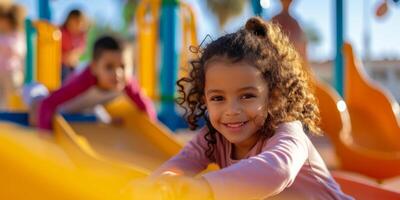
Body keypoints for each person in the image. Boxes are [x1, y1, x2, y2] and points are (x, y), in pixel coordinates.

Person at [147, 17, 353, 200]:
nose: (232, 110)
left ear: (273, 96)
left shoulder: (287, 133)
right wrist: (156, 184)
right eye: (218, 98)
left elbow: (277, 170)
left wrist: (204, 188)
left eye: (247, 96)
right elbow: (179, 165)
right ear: (204, 99)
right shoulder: (212, 138)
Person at [25, 36, 156, 130]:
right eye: (109, 67)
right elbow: (49, 103)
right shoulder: (84, 81)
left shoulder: (127, 82)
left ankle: (106, 119)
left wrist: (153, 129)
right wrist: (45, 134)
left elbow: (145, 105)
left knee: (96, 110)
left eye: (123, 66)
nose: (118, 73)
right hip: (62, 104)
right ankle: (36, 96)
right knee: (37, 97)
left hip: (86, 107)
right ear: (94, 67)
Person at [0, 3, 25, 109]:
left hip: (12, 71)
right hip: (1, 70)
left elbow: (19, 50)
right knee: (2, 96)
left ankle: (13, 111)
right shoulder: (2, 34)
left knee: (13, 94)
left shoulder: (17, 34)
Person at [60, 9, 87, 81]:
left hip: (73, 64)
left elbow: (81, 49)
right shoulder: (61, 32)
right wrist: (67, 57)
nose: (77, 25)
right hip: (61, 65)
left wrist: (74, 55)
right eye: (75, 22)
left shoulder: (82, 34)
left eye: (79, 22)